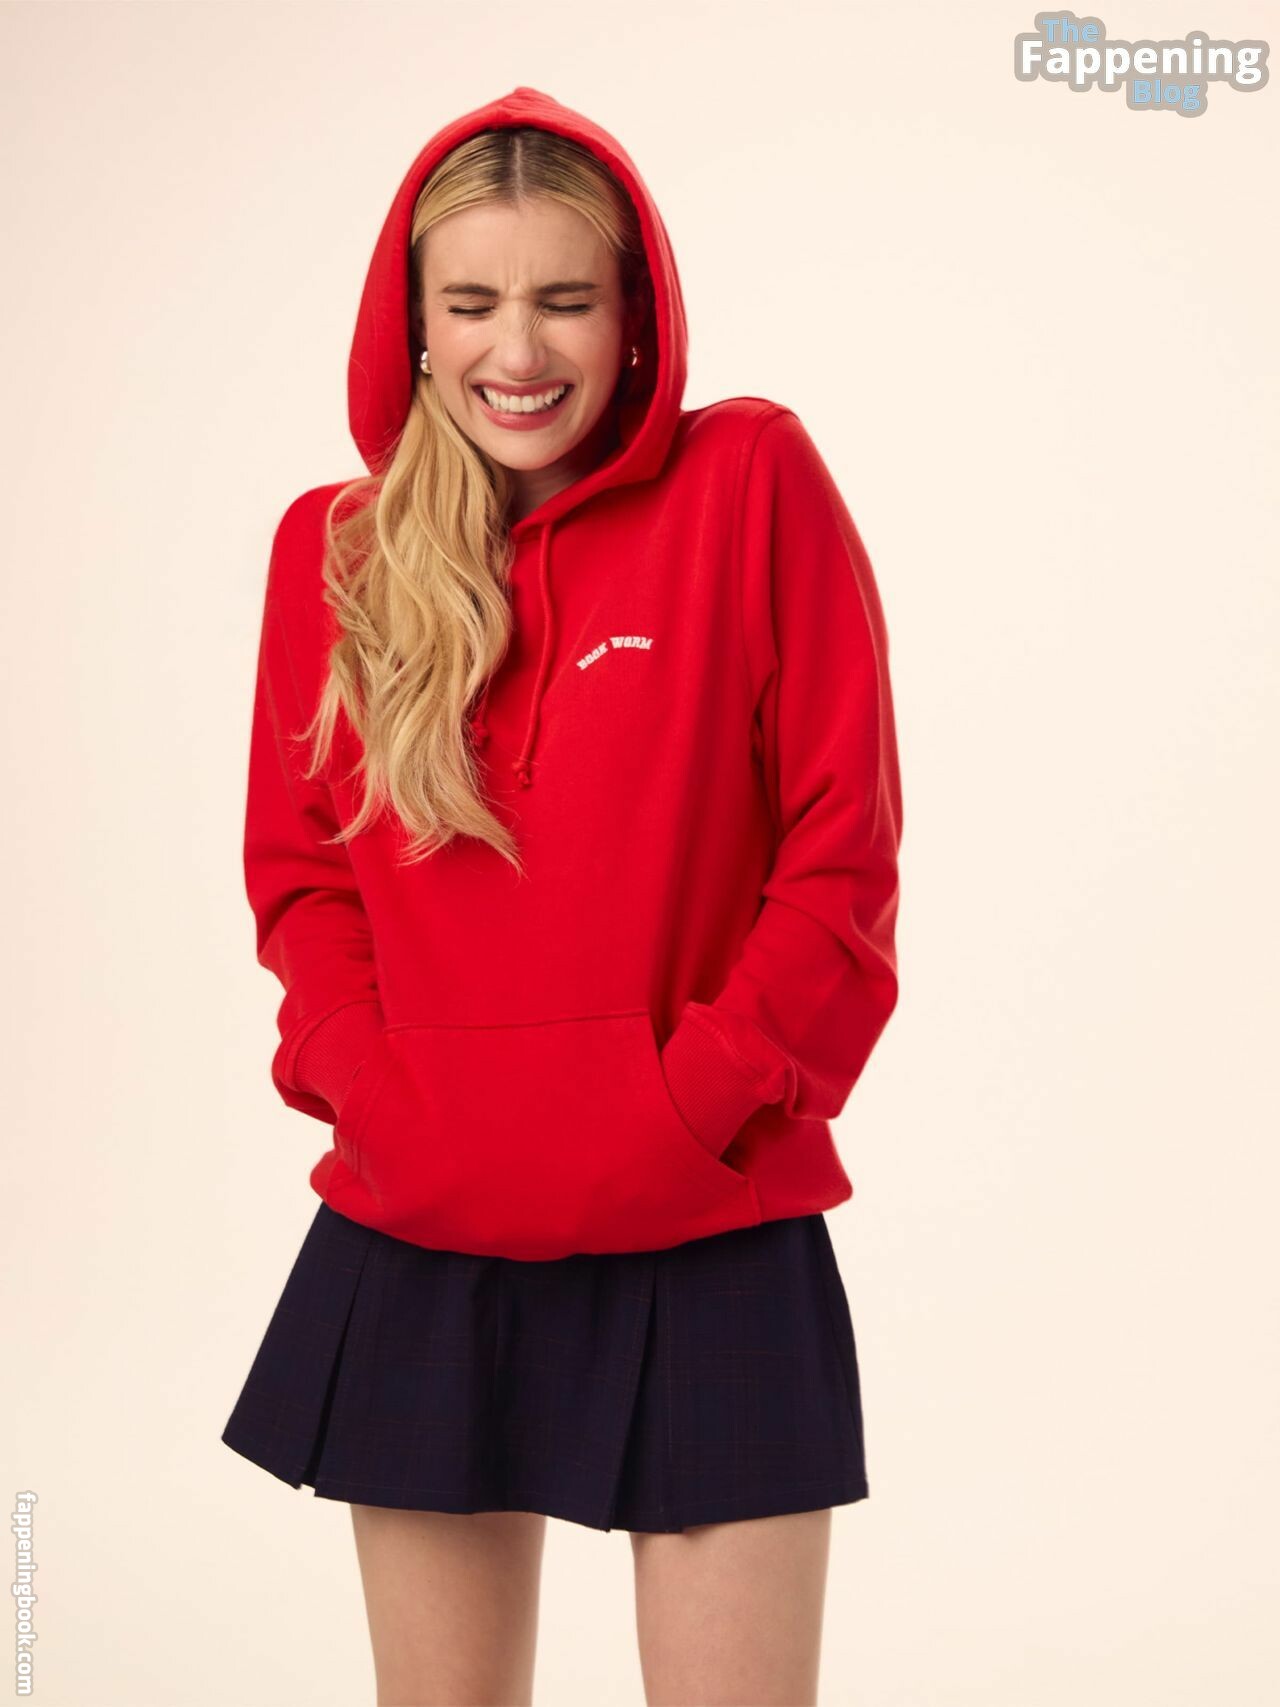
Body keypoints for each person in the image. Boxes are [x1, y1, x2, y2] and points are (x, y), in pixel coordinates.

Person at [222, 84, 902, 1706]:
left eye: (564, 300)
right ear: (413, 323)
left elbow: (841, 853)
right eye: (471, 303)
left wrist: (695, 1100)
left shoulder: (750, 482)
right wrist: (381, 1092)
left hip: (709, 1214)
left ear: (635, 313)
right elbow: (304, 877)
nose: (516, 351)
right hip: (424, 1218)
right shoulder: (335, 552)